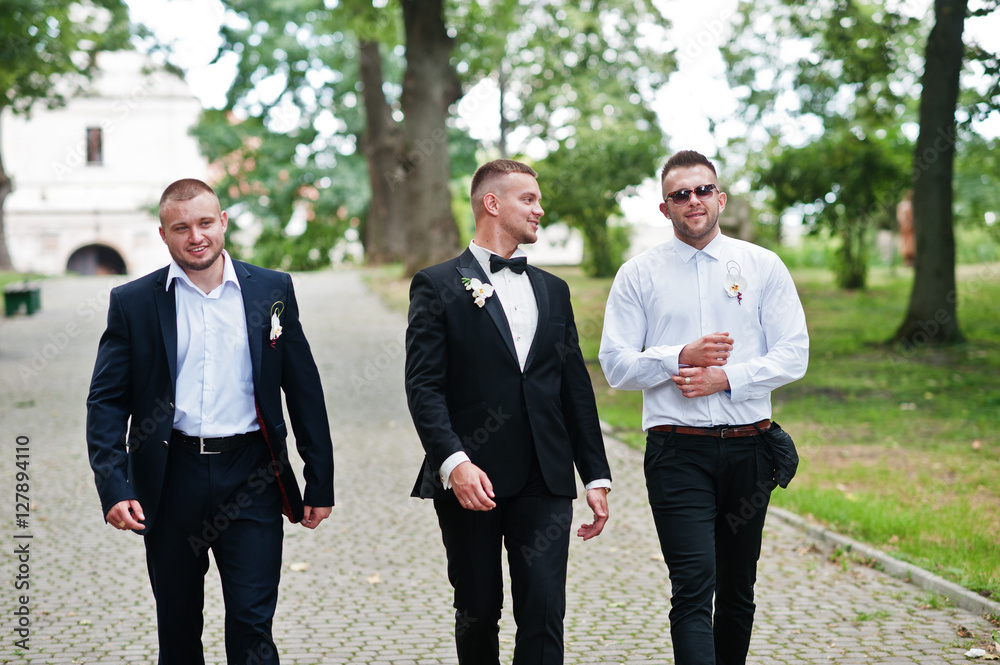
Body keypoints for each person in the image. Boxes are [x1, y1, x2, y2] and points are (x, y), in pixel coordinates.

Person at [86, 178, 335, 665]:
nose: (195, 236)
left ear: (222, 222)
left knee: (252, 625)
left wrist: (319, 480)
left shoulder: (272, 289)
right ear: (164, 234)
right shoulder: (133, 303)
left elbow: (303, 389)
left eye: (204, 223)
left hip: (252, 474)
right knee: (177, 629)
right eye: (181, 228)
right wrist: (114, 486)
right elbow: (106, 402)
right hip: (170, 476)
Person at [599, 150, 809, 665]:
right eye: (680, 194)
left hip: (750, 449)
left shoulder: (762, 265)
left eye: (702, 190)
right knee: (693, 588)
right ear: (665, 207)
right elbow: (615, 365)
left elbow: (794, 353)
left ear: (719, 197)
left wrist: (726, 378)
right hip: (678, 453)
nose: (693, 201)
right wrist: (680, 356)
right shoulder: (637, 275)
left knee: (738, 589)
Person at [404, 159, 612, 664]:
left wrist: (596, 475)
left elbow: (575, 389)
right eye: (530, 200)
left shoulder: (554, 290)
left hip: (546, 476)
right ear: (492, 204)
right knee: (477, 611)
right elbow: (423, 386)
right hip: (471, 480)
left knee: (544, 615)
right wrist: (454, 464)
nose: (541, 210)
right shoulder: (436, 285)